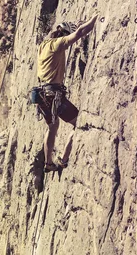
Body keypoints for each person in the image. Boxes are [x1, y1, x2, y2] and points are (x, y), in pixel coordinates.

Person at [37, 14, 99, 172]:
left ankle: (48, 164)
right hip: (53, 94)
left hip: (42, 94)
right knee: (78, 123)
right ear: (64, 34)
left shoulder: (43, 45)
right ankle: (63, 160)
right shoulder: (57, 44)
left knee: (52, 126)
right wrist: (94, 19)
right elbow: (78, 34)